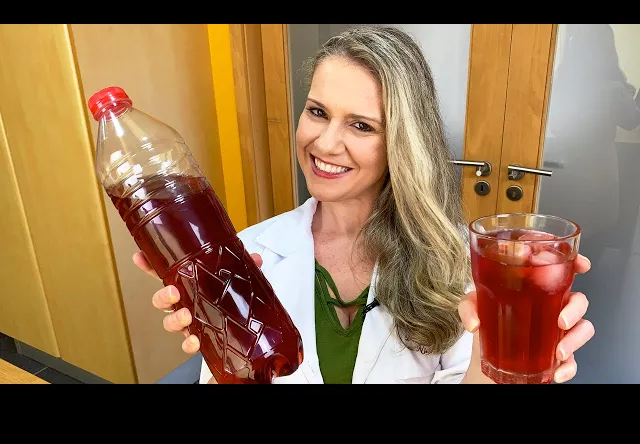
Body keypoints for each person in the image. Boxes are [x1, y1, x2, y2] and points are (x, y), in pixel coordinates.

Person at [134, 25, 595, 384]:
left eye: (361, 125)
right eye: (317, 112)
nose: (324, 143)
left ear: (403, 144)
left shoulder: (464, 265)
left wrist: (501, 363)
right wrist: (218, 341)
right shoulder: (246, 255)